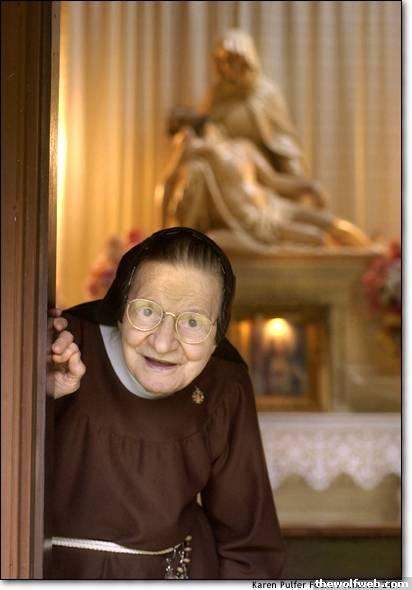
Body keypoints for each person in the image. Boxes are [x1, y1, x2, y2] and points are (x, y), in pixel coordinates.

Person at [50, 227, 286, 579]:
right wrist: (41, 399)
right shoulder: (62, 349)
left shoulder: (225, 384)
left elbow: (249, 545)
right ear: (120, 308)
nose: (163, 344)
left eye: (192, 322)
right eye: (147, 311)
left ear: (217, 335)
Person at [160, 109, 371, 252]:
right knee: (318, 238)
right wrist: (162, 233)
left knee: (332, 223)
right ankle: (358, 270)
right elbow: (168, 183)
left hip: (273, 204)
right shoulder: (203, 153)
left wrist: (309, 186)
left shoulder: (244, 146)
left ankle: (372, 254)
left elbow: (274, 181)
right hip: (254, 222)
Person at [200, 29, 304, 176]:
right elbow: (202, 127)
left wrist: (293, 168)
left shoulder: (267, 93)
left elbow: (282, 139)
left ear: (246, 61)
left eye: (231, 60)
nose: (225, 67)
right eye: (220, 61)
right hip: (223, 162)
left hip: (259, 165)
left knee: (294, 172)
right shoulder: (216, 93)